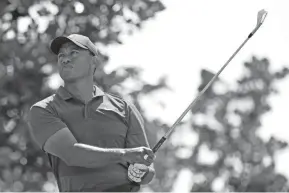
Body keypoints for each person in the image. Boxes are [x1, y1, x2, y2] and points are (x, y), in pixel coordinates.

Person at [28, 34, 156, 192]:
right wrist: (124, 155)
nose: (65, 59)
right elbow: (72, 153)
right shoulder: (44, 109)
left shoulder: (124, 109)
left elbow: (147, 170)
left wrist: (141, 172)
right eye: (61, 55)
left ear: (93, 61)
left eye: (74, 53)